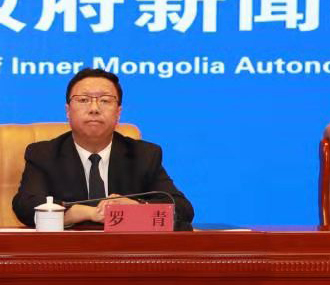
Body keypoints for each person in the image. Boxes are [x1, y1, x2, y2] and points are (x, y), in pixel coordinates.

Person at [11, 68, 194, 229]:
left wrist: (136, 208)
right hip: (67, 250)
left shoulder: (143, 155)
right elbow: (25, 206)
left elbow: (182, 209)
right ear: (68, 111)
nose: (94, 108)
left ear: (118, 113)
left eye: (105, 100)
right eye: (83, 100)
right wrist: (85, 212)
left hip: (125, 251)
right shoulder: (44, 154)